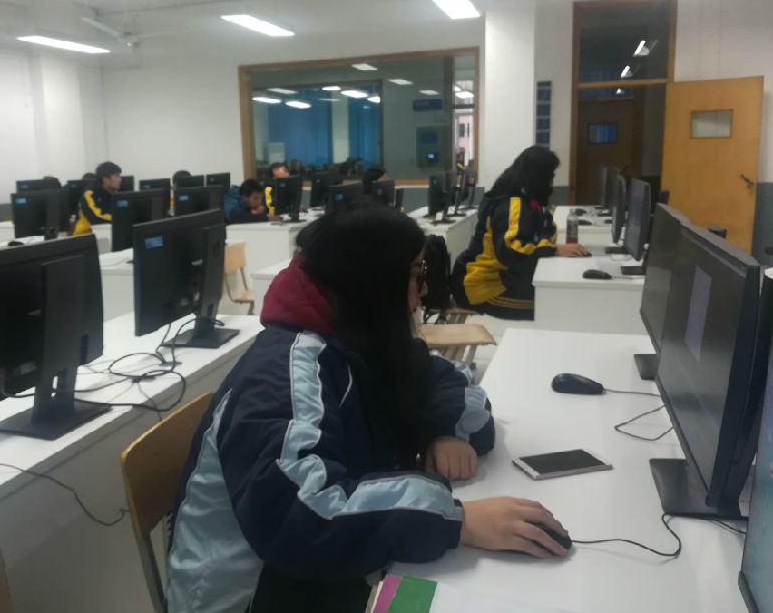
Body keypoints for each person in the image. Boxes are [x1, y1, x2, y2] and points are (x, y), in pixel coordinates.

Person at [166, 202, 569, 613]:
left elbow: (451, 380)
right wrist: (455, 518)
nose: (423, 290)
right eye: (416, 274)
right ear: (374, 280)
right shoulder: (282, 374)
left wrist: (442, 430)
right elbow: (303, 515)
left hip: (319, 576)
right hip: (256, 596)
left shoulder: (358, 333)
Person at [451, 146, 588, 320]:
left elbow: (547, 229)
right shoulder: (513, 204)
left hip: (500, 279)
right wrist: (552, 250)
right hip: (483, 286)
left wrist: (545, 245)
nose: (551, 183)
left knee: (558, 299)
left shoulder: (527, 201)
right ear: (539, 177)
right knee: (553, 305)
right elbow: (511, 251)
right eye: (550, 177)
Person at [73, 161, 122, 235]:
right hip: (86, 234)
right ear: (105, 178)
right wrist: (121, 220)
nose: (120, 179)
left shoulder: (114, 193)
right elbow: (96, 217)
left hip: (106, 232)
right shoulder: (89, 193)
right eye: (116, 176)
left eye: (119, 176)